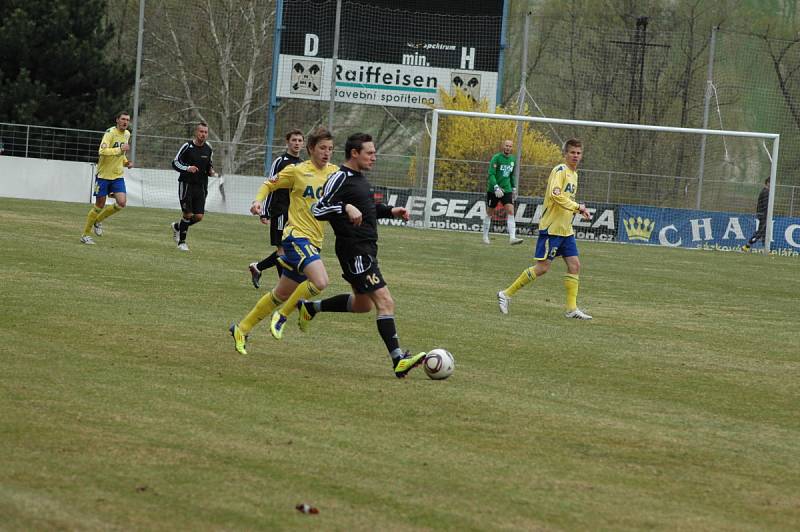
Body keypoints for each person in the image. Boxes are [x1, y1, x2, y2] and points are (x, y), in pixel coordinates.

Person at [297, 132, 426, 379]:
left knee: (362, 304)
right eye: (370, 153)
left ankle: (311, 308)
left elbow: (366, 210)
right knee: (386, 302)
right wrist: (345, 207)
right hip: (355, 251)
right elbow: (318, 208)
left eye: (374, 153)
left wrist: (390, 211)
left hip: (366, 249)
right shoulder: (340, 177)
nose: (374, 157)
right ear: (354, 153)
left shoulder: (360, 179)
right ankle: (398, 359)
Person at [229, 128, 338, 354]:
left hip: (315, 241)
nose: (327, 153)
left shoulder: (335, 174)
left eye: (330, 149)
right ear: (311, 149)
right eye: (322, 148)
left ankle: (241, 328)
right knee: (320, 282)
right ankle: (283, 316)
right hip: (295, 236)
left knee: (281, 293)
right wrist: (258, 201)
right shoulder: (297, 170)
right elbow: (269, 184)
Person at [496, 138, 593, 320]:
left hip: (566, 230)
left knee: (574, 265)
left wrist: (577, 210)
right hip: (552, 229)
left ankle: (571, 309)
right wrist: (577, 207)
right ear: (565, 154)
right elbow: (556, 196)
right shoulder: (560, 171)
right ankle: (506, 294)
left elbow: (566, 200)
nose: (576, 156)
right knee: (542, 268)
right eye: (572, 152)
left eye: (579, 153)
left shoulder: (574, 174)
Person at [249, 129, 305, 288]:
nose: (297, 143)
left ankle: (258, 267)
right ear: (287, 142)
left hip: (294, 212)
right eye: (294, 140)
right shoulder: (280, 161)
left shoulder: (302, 163)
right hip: (280, 210)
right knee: (283, 249)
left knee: (289, 248)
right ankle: (284, 284)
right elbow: (270, 185)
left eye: (300, 140)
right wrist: (265, 211)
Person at [80, 111, 134, 244]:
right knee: (99, 205)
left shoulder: (127, 134)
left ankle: (98, 221)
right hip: (103, 175)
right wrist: (120, 150)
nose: (125, 122)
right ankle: (85, 235)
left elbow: (121, 154)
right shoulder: (110, 133)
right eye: (123, 119)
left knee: (121, 203)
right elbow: (102, 151)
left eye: (127, 120)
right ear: (117, 120)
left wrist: (126, 162)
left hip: (117, 175)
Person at [170, 122, 216, 251]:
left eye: (205, 132)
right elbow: (175, 163)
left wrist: (211, 171)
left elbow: (209, 164)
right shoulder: (187, 146)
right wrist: (187, 168)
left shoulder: (208, 148)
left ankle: (178, 227)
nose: (203, 134)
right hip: (186, 184)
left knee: (199, 216)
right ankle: (182, 243)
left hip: (200, 186)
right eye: (201, 132)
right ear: (196, 132)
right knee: (188, 214)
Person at [482, 139, 524, 245]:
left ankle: (512, 238)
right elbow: (491, 174)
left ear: (512, 148)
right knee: (489, 213)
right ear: (503, 146)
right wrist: (496, 187)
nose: (508, 148)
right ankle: (485, 236)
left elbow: (511, 175)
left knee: (510, 211)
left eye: (510, 146)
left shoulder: (513, 159)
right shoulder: (496, 158)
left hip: (506, 189)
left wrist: (513, 187)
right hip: (494, 190)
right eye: (506, 145)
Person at [742, 178, 770, 252]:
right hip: (764, 215)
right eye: (772, 183)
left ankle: (766, 249)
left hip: (763, 214)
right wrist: (767, 214)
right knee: (761, 232)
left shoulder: (765, 191)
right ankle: (747, 246)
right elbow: (765, 205)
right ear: (767, 183)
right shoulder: (766, 192)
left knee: (764, 232)